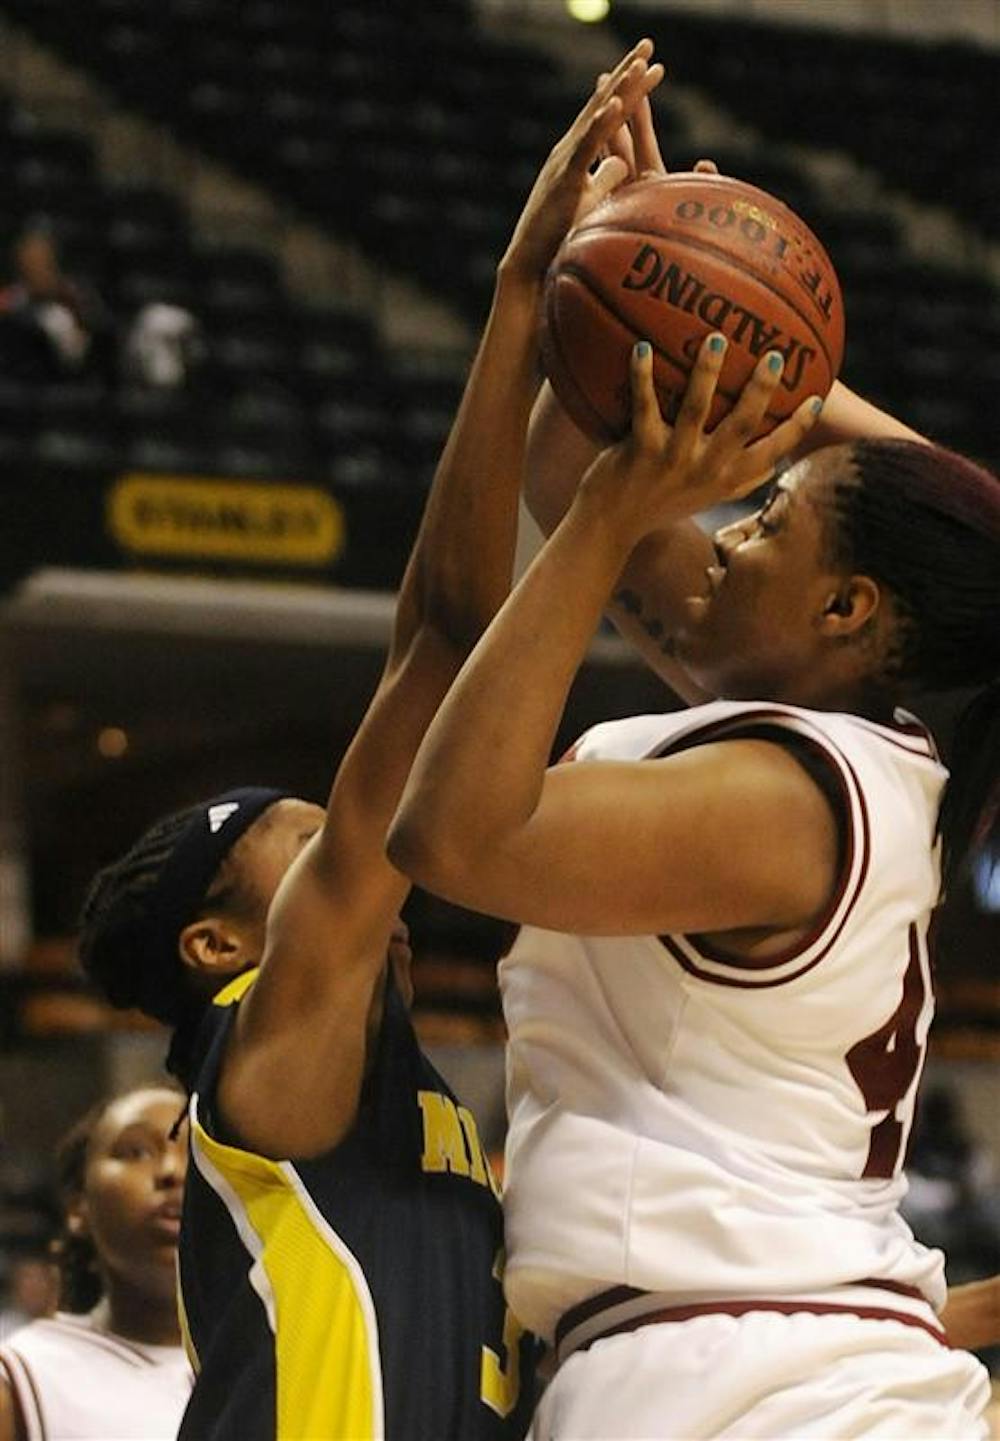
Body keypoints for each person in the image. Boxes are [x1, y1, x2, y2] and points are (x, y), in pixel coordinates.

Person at [73, 41, 665, 1441]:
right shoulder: (260, 1052)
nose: (367, 844)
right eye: (307, 833)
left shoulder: (411, 1112)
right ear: (221, 947)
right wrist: (525, 302)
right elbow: (444, 642)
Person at [387, 146, 999, 1441]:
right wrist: (608, 283)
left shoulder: (795, 799)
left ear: (848, 610)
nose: (725, 530)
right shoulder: (839, 757)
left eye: (766, 521)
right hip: (749, 1365)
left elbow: (453, 834)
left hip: (766, 1389)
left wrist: (659, 483)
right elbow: (567, 473)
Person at [0, 1085, 192, 1441]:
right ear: (78, 1205)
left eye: (194, 1155)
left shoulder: (283, 1364)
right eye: (136, 1151)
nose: (172, 1170)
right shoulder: (24, 1375)